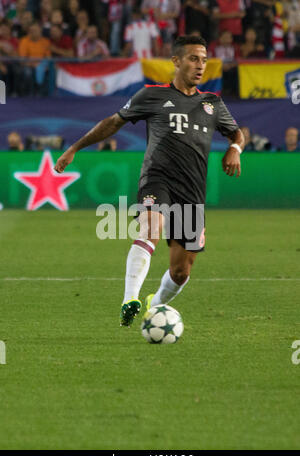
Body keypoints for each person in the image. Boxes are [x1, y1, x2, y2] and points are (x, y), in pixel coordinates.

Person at [54, 35, 244, 327]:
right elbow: (113, 122)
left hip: (192, 190)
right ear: (176, 61)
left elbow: (236, 133)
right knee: (150, 227)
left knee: (181, 271)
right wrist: (75, 148)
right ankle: (129, 297)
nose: (200, 65)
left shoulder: (212, 104)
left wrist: (235, 149)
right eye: (194, 58)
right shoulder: (151, 95)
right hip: (158, 178)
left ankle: (153, 307)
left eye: (204, 60)